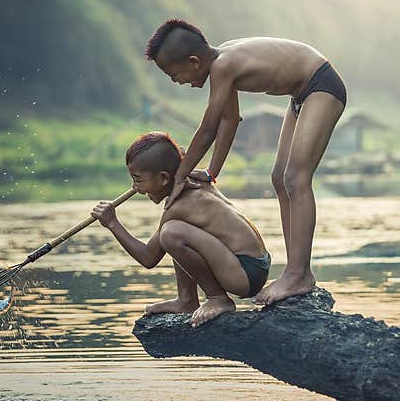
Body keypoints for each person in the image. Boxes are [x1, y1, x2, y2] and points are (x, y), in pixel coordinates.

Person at [144, 19, 347, 305]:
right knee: (279, 178)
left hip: (320, 86)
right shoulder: (222, 65)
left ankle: (298, 274)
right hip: (301, 95)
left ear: (193, 61)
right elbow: (230, 120)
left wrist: (180, 175)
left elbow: (208, 129)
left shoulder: (223, 65)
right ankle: (295, 272)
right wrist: (212, 172)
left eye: (174, 74)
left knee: (295, 179)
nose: (177, 82)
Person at [92, 132, 271, 327]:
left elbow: (148, 258)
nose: (135, 188)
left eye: (138, 179)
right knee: (176, 233)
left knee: (171, 234)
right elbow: (180, 155)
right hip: (252, 266)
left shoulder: (178, 207)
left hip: (245, 273)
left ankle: (217, 298)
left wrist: (112, 224)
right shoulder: (194, 178)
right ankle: (186, 299)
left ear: (163, 178)